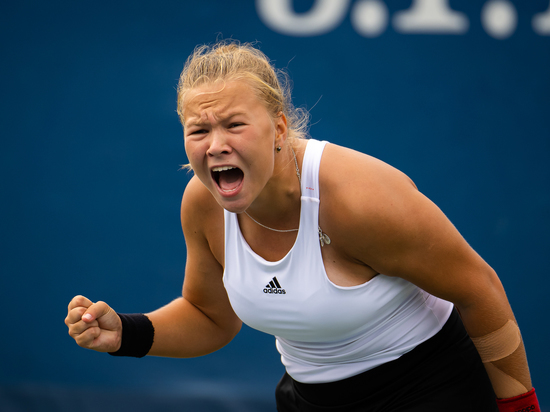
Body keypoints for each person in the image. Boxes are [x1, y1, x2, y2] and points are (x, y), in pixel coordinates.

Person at [65, 40, 540, 412]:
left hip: (430, 388)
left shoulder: (358, 199)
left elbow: (479, 289)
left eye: (233, 124)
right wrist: (126, 334)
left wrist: (518, 408)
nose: (215, 145)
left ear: (278, 128)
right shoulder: (203, 203)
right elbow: (210, 317)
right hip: (308, 400)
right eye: (199, 130)